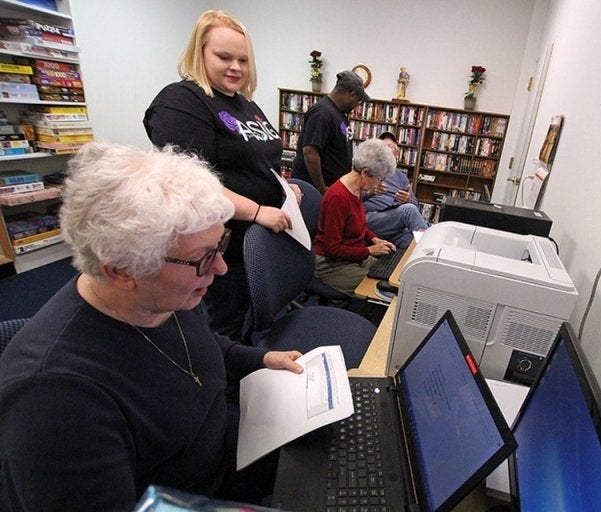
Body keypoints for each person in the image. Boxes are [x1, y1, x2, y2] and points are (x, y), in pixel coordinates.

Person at [0, 143, 304, 511]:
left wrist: (262, 358)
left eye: (219, 243)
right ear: (122, 270)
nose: (221, 268)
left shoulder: (164, 295)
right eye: (202, 257)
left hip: (223, 451)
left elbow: (203, 346)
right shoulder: (55, 399)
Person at [143, 10, 300, 341]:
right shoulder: (181, 101)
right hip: (218, 245)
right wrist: (257, 211)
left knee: (248, 323)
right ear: (199, 53)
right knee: (220, 331)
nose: (236, 67)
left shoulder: (245, 105)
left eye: (243, 59)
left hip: (257, 242)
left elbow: (258, 162)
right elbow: (191, 181)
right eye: (224, 57)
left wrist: (284, 190)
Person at [314, 139, 398, 295]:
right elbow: (332, 249)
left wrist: (374, 239)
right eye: (379, 178)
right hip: (330, 264)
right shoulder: (338, 198)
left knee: (390, 272)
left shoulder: (356, 188)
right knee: (379, 289)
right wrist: (370, 250)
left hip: (352, 255)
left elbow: (358, 226)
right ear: (365, 172)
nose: (380, 183)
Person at [292, 70, 371, 194]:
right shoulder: (322, 113)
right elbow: (310, 151)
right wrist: (321, 188)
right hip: (313, 189)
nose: (357, 105)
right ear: (352, 94)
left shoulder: (338, 113)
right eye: (359, 100)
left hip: (331, 188)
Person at [363, 131, 428, 248]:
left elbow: (415, 205)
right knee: (409, 211)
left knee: (413, 238)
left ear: (396, 153)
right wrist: (369, 193)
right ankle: (428, 252)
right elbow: (350, 196)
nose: (385, 151)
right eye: (382, 148)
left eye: (389, 147)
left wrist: (408, 199)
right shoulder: (368, 170)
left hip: (395, 220)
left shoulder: (401, 177)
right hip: (372, 218)